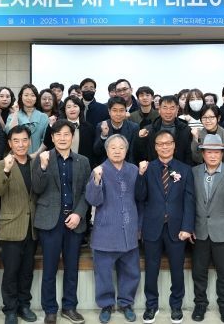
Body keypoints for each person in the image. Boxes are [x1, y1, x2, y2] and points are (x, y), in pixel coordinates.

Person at [32, 119, 91, 324]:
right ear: (52, 137)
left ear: (72, 137)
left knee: (71, 268)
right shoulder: (42, 158)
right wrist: (43, 167)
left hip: (74, 220)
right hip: (50, 220)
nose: (62, 138)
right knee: (49, 268)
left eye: (67, 134)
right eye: (58, 135)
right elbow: (37, 188)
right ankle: (50, 309)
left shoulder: (83, 161)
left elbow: (87, 191)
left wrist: (79, 214)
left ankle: (69, 307)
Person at [135, 130, 195, 324]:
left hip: (177, 228)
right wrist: (140, 175)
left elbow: (189, 201)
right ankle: (151, 305)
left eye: (168, 143)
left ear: (174, 145)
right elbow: (140, 196)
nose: (164, 147)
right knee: (151, 268)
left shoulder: (185, 170)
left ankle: (176, 306)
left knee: (177, 269)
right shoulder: (148, 168)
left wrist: (187, 227)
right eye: (160, 144)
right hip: (152, 226)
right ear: (155, 147)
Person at [85, 135, 141, 324]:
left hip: (129, 229)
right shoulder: (99, 170)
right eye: (113, 148)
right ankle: (106, 305)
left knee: (131, 271)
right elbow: (93, 200)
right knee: (103, 272)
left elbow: (141, 199)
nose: (117, 151)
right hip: (105, 231)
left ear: (126, 150)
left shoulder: (134, 170)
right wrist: (97, 179)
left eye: (121, 147)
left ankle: (126, 303)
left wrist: (139, 226)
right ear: (107, 150)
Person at [190, 134, 224, 324]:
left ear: (222, 154)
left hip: (223, 232)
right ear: (203, 154)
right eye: (209, 152)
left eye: (217, 152)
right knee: (199, 272)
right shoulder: (194, 172)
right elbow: (190, 202)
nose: (213, 156)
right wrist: (190, 226)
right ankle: (200, 304)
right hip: (200, 231)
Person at [0, 126, 39, 324]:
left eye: (24, 140)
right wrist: (6, 170)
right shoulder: (0, 164)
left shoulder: (37, 163)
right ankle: (10, 309)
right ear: (10, 143)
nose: (21, 144)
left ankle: (24, 305)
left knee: (27, 271)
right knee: (11, 272)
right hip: (11, 227)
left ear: (30, 141)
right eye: (16, 141)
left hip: (32, 227)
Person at [133, 95, 193, 165]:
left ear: (177, 109)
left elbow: (188, 156)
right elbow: (140, 155)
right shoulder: (148, 130)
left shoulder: (185, 130)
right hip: (155, 168)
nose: (168, 112)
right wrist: (140, 139)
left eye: (172, 108)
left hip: (179, 169)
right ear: (159, 109)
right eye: (165, 108)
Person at [43, 95, 97, 168]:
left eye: (75, 106)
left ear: (80, 108)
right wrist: (50, 125)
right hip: (59, 166)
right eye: (68, 107)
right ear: (64, 110)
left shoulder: (89, 127)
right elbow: (47, 144)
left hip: (81, 167)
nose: (72, 109)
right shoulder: (57, 125)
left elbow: (92, 152)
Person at [5, 84, 49, 157]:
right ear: (21, 97)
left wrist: (36, 154)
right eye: (26, 95)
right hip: (17, 157)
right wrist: (16, 112)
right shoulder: (12, 116)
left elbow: (46, 140)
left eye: (32, 95)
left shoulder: (43, 117)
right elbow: (10, 133)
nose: (29, 98)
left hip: (38, 157)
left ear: (36, 98)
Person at [94, 96, 139, 164]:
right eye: (114, 110)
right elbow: (97, 151)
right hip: (106, 165)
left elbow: (132, 153)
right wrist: (103, 135)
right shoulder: (101, 126)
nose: (118, 114)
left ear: (125, 111)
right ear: (109, 111)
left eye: (121, 110)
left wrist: (129, 168)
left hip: (127, 165)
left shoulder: (134, 127)